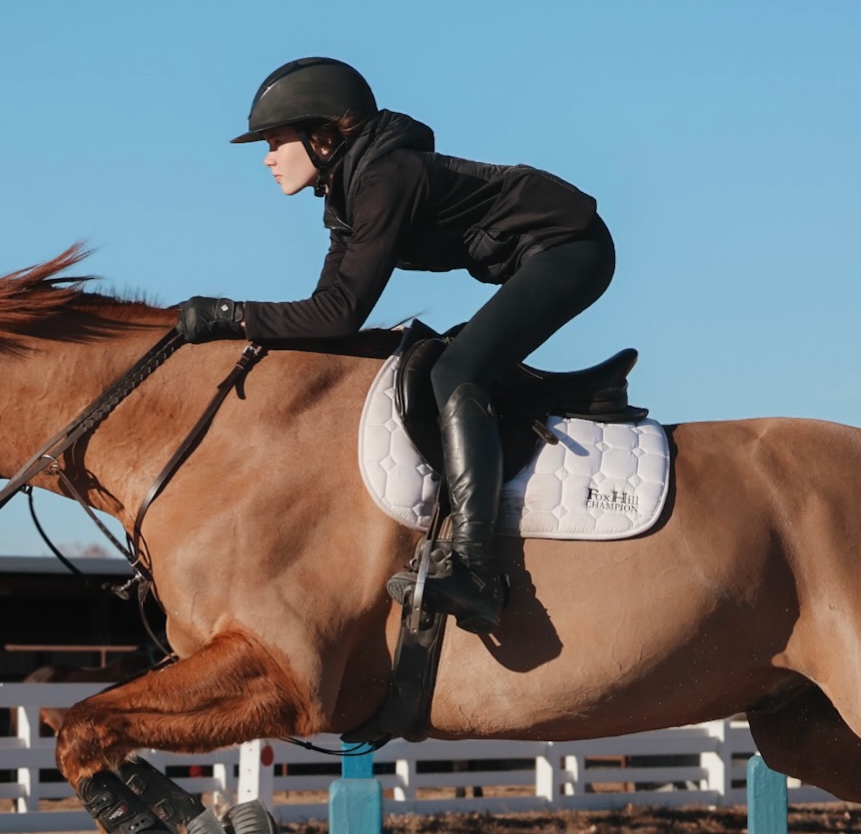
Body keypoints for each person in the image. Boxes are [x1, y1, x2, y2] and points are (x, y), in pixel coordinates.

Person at [176, 57, 617, 634]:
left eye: (276, 141)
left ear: (322, 135)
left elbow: (338, 312)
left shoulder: (387, 178)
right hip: (540, 254)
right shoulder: (347, 197)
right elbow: (328, 316)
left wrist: (229, 316)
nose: (267, 157)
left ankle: (478, 572)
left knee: (454, 371)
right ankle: (582, 391)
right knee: (444, 357)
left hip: (572, 247)